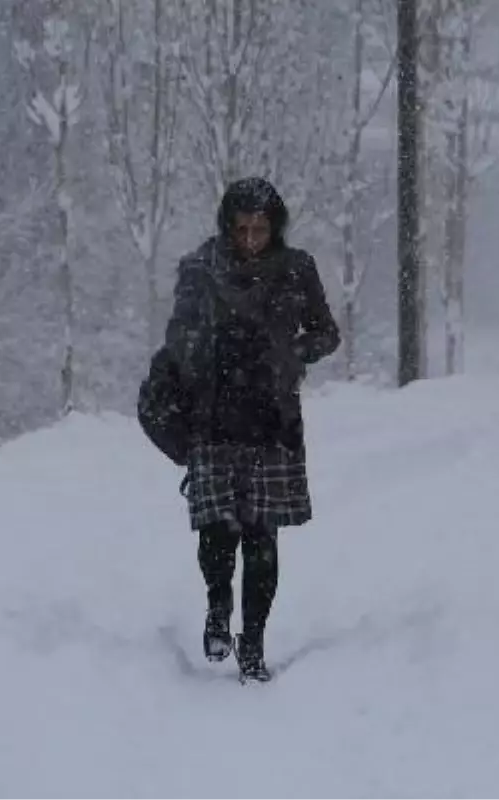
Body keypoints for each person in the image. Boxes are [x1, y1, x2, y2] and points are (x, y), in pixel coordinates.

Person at [160, 177, 340, 683]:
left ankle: (254, 642)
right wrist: (205, 352)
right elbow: (177, 332)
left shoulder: (296, 269)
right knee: (216, 528)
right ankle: (218, 608)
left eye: (261, 229)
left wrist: (291, 354)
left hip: (272, 420)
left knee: (263, 536)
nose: (252, 239)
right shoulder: (199, 270)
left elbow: (326, 332)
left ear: (275, 228)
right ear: (227, 228)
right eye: (242, 229)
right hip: (213, 415)